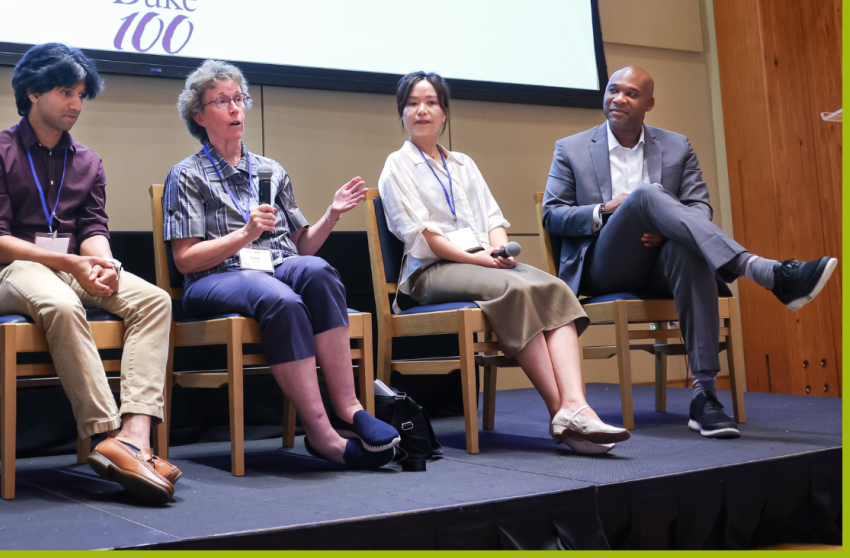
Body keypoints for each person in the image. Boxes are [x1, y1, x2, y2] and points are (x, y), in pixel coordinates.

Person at [543, 65, 837, 439]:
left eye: (631, 94)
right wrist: (605, 210)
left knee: (689, 249)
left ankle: (705, 397)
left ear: (650, 104)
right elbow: (553, 214)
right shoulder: (571, 148)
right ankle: (761, 270)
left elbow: (699, 209)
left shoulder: (677, 145)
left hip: (663, 260)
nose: (619, 98)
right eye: (613, 90)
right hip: (606, 263)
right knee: (646, 194)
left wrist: (668, 234)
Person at [0, 43, 178, 505]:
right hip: (8, 274)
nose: (77, 105)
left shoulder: (88, 162)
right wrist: (73, 264)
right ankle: (106, 435)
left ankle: (136, 435)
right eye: (66, 92)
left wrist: (101, 262)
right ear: (33, 91)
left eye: (82, 94)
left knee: (154, 300)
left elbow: (93, 229)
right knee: (61, 302)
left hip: (71, 267)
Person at [162, 59, 400, 470]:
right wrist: (244, 236)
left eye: (239, 99)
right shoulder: (186, 176)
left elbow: (302, 246)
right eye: (222, 101)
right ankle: (323, 436)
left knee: (319, 272)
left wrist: (331, 215)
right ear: (199, 116)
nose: (236, 108)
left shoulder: (270, 170)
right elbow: (185, 261)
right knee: (282, 299)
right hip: (216, 278)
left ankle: (350, 408)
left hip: (276, 265)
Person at [379, 71, 629, 456]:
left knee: (554, 287)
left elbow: (493, 219)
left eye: (430, 102)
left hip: (481, 263)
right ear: (402, 114)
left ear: (445, 112)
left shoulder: (463, 164)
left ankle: (578, 406)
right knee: (512, 289)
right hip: (430, 272)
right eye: (412, 103)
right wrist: (476, 259)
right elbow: (420, 236)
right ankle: (559, 411)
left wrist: (500, 252)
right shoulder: (396, 165)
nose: (421, 110)